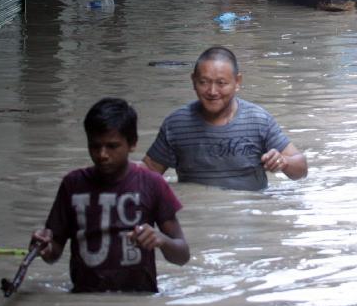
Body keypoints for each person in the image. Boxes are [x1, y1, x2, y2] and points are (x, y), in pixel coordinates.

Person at [30, 98, 189, 293]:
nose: (102, 154)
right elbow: (54, 251)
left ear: (132, 144)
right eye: (95, 146)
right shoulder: (72, 184)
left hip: (139, 300)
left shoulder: (152, 184)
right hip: (85, 299)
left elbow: (182, 255)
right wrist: (42, 247)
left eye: (112, 146)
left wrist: (161, 240)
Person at [144, 46, 308, 191]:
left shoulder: (258, 120)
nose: (212, 91)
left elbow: (301, 170)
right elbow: (148, 172)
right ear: (193, 81)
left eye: (221, 83)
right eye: (204, 82)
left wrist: (283, 161)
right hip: (198, 216)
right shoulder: (177, 124)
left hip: (250, 215)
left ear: (237, 82)